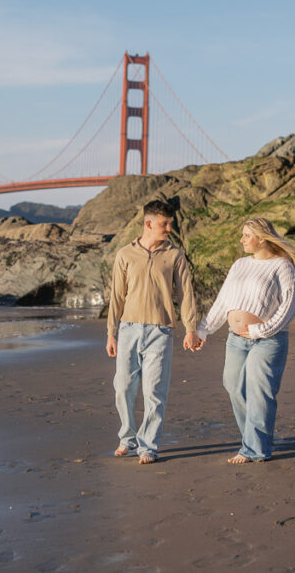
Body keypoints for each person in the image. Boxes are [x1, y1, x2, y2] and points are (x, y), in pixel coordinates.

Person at [195, 217, 295, 464]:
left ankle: (255, 449)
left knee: (260, 392)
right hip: (235, 339)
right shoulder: (240, 264)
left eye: (246, 235)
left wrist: (261, 330)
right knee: (232, 385)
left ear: (262, 238)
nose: (241, 240)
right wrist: (203, 330)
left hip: (268, 339)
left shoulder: (282, 266)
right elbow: (223, 300)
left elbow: (290, 306)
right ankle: (254, 439)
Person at [106, 199, 200, 465]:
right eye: (164, 223)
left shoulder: (175, 255)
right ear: (148, 224)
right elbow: (116, 296)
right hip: (128, 329)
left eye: (170, 223)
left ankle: (148, 445)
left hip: (161, 330)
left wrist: (190, 329)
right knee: (123, 387)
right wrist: (111, 332)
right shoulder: (125, 254)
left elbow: (186, 295)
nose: (169, 228)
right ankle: (127, 439)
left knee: (154, 391)